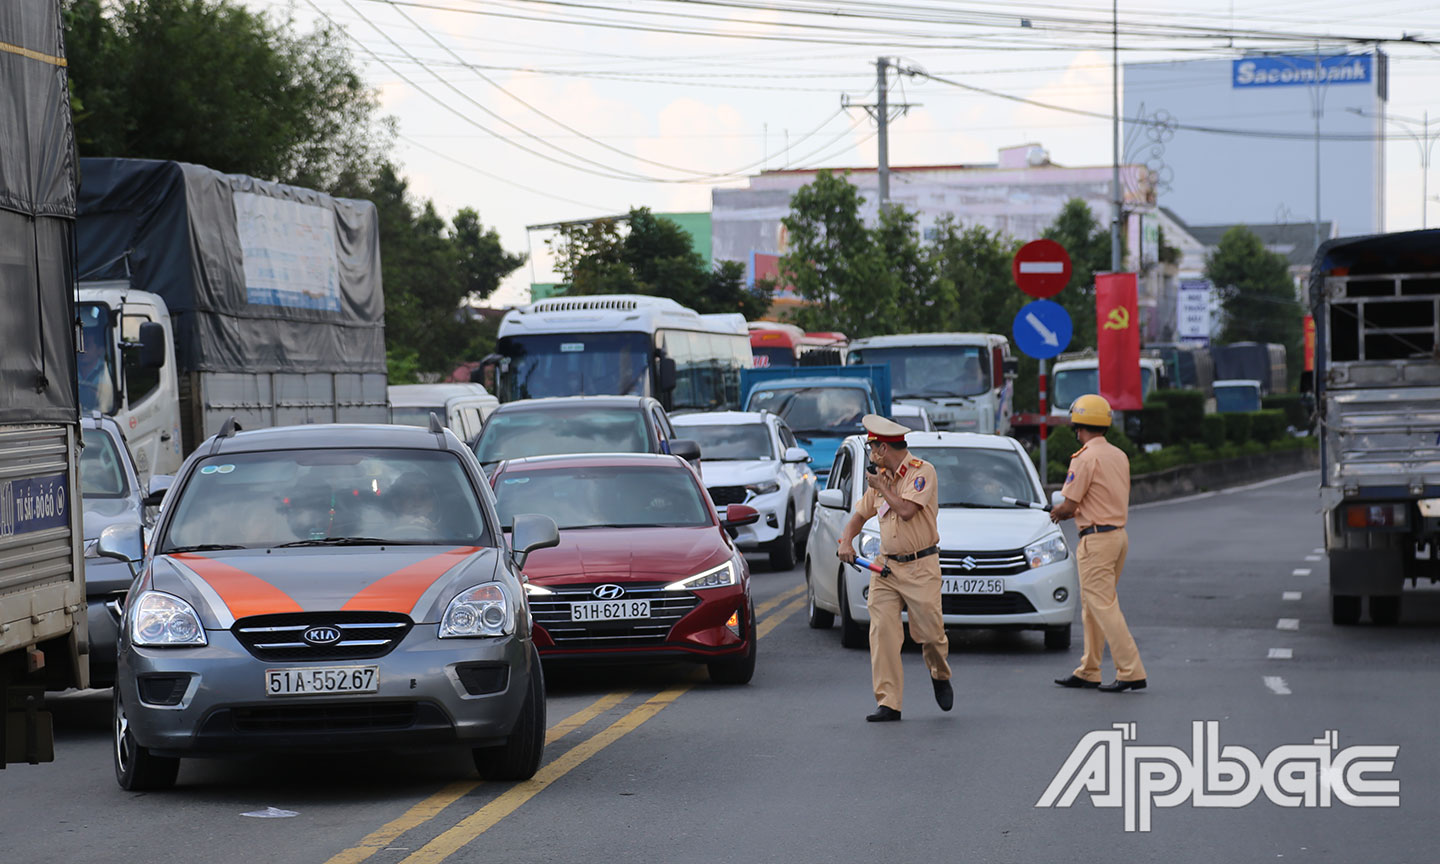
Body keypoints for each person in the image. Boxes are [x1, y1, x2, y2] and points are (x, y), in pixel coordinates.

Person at [837, 414, 953, 722]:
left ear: (885, 449)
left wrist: (882, 487)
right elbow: (859, 516)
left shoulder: (921, 472)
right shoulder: (881, 479)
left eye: (873, 448)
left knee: (930, 635)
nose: (872, 455)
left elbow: (905, 511)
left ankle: (939, 673)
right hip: (886, 568)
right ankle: (889, 702)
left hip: (920, 566)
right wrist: (846, 541)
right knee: (883, 633)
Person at [1049, 394, 1147, 693]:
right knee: (1093, 606)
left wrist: (1056, 513)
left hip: (1096, 540)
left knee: (1102, 606)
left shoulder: (1085, 457)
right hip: (1117, 536)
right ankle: (1089, 669)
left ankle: (1131, 670)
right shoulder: (1118, 455)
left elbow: (1069, 504)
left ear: (1079, 427)